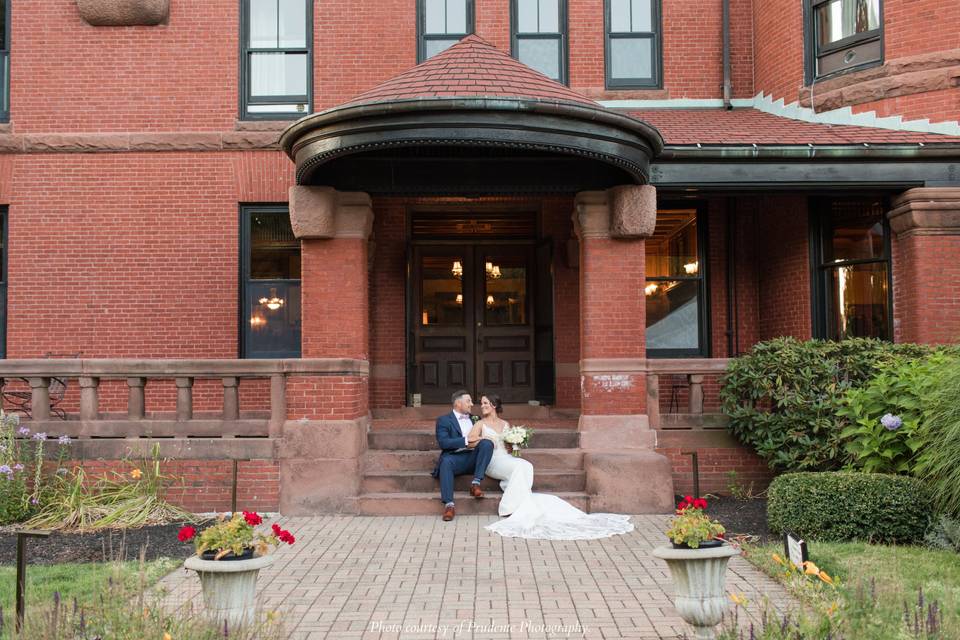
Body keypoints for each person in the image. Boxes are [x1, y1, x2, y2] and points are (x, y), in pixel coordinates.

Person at [475, 393, 634, 540]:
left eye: (485, 403)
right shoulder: (480, 424)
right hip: (492, 460)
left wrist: (515, 443)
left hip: (507, 457)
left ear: (494, 405)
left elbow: (509, 446)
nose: (482, 406)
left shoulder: (505, 424)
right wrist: (484, 442)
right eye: (482, 403)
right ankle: (508, 507)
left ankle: (521, 501)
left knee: (527, 465)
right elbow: (469, 441)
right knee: (517, 468)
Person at [431, 390, 494, 522]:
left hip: (474, 458)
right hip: (455, 458)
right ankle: (449, 505)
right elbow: (444, 442)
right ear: (458, 403)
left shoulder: (474, 418)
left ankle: (475, 484)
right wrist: (466, 441)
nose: (472, 404)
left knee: (487, 443)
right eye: (468, 401)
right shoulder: (444, 420)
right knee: (446, 462)